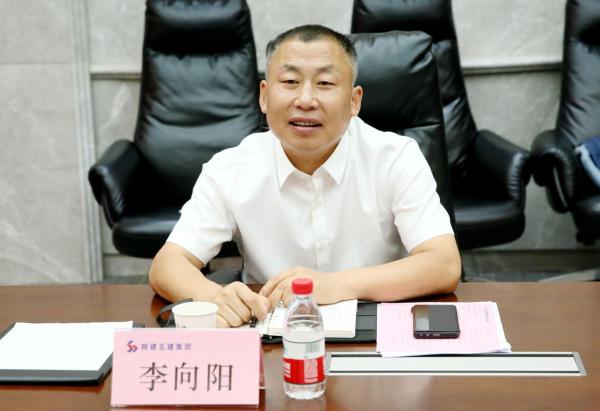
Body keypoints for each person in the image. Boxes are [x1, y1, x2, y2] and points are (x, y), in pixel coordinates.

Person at [149, 24, 461, 328]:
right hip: (274, 336)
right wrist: (213, 297)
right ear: (264, 96)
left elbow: (444, 264)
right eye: (290, 81)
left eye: (325, 83)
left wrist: (335, 285)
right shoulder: (230, 169)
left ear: (354, 100)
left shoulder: (396, 158)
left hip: (378, 332)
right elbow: (167, 264)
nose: (306, 100)